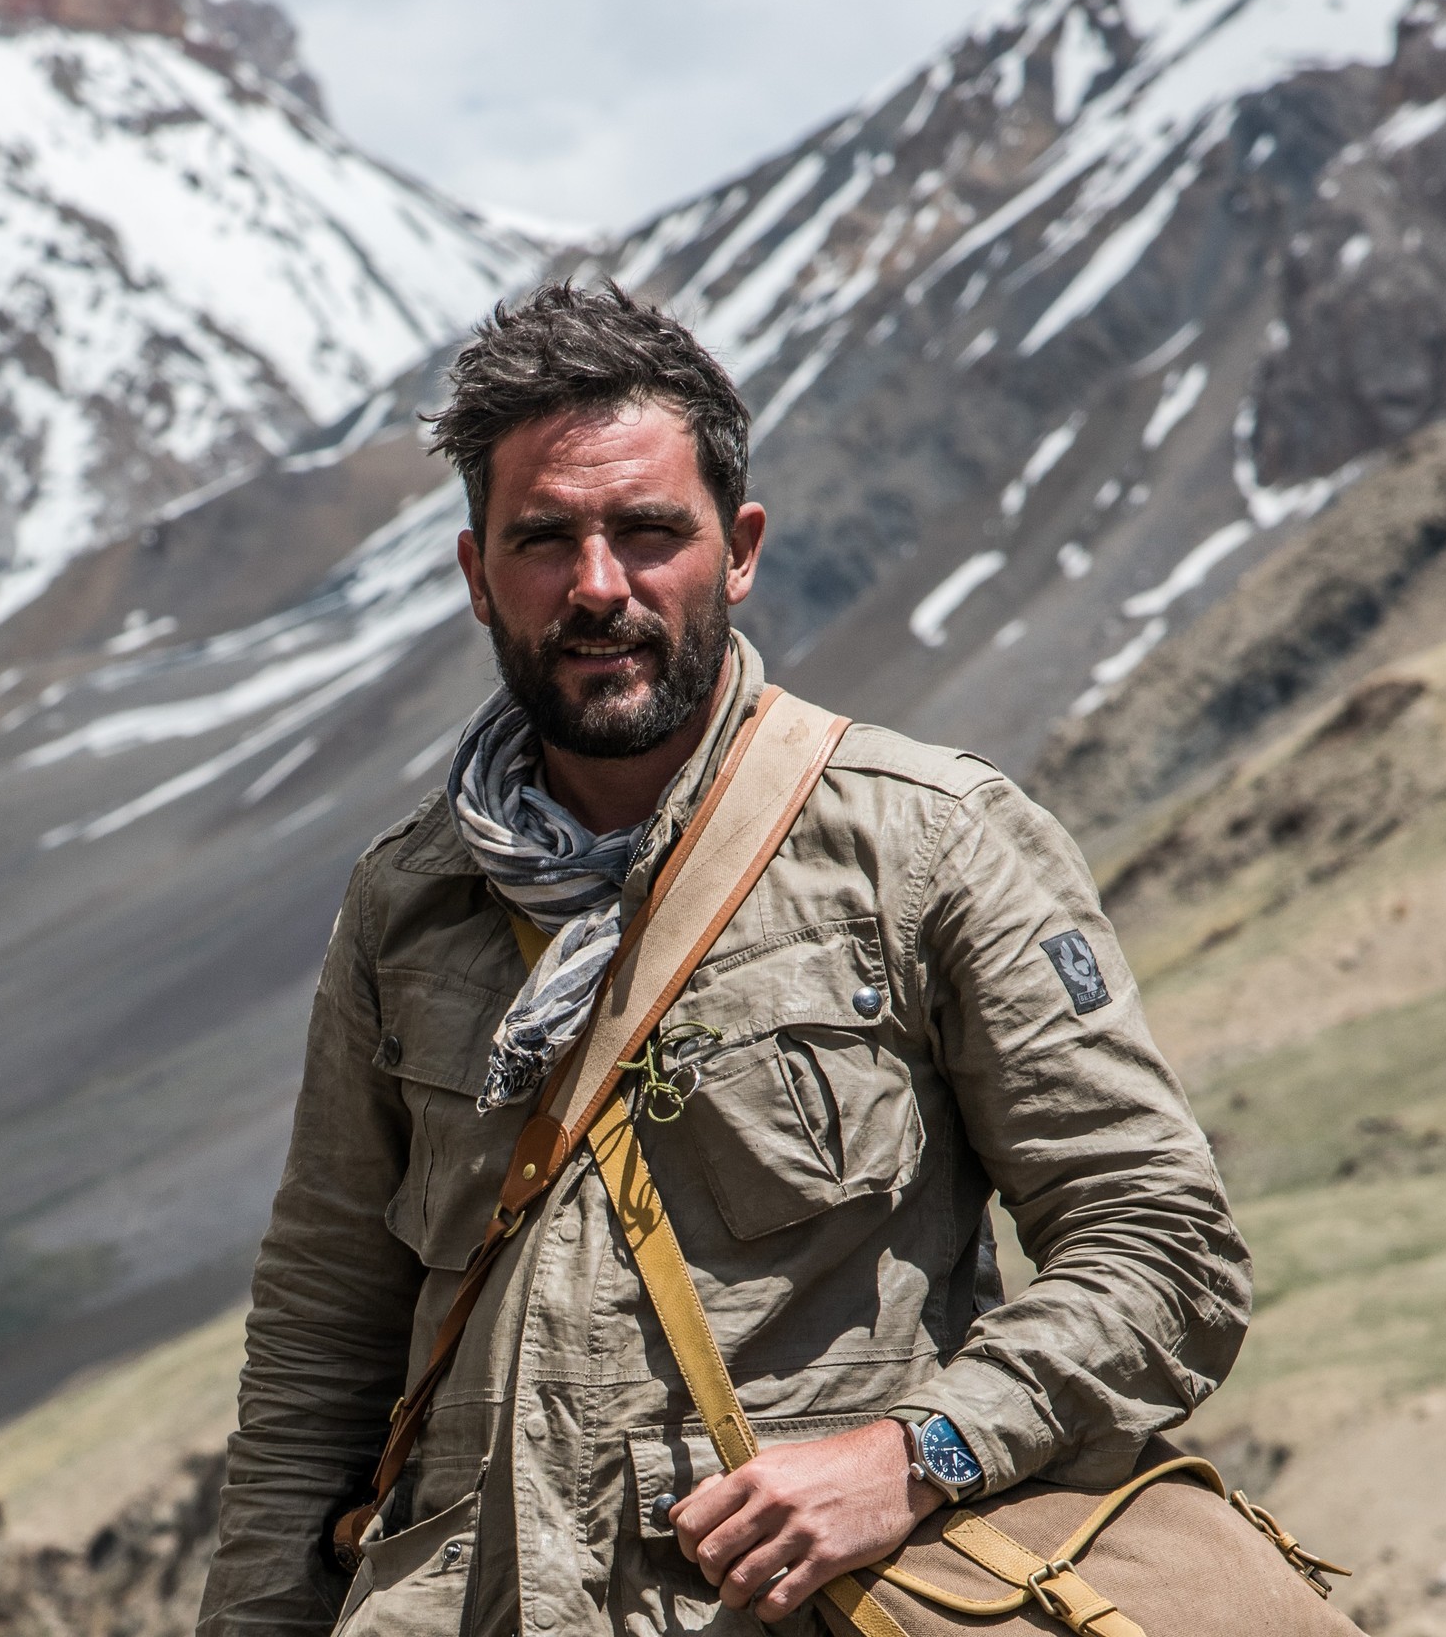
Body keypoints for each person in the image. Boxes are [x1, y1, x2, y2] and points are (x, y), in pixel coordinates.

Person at [194, 283, 1251, 1637]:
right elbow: (318, 1360)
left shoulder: (925, 844)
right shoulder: (408, 904)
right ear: (475, 575)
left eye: (647, 535)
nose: (598, 588)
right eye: (543, 541)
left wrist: (919, 1454)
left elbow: (1164, 1247)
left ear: (737, 549)